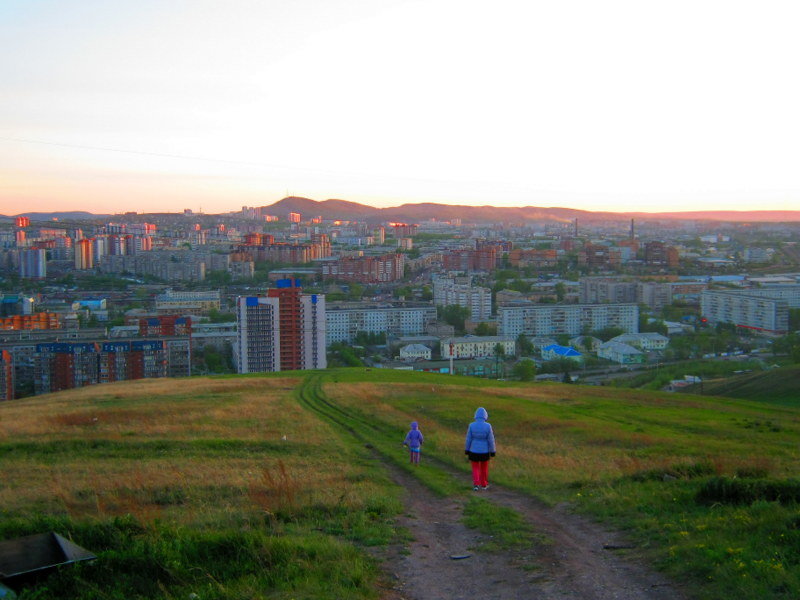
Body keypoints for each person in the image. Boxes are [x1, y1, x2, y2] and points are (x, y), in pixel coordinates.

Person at [465, 407, 495, 490]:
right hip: (484, 451)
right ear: (485, 416)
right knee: (484, 468)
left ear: (476, 416)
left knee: (475, 467)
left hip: (473, 450)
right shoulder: (488, 426)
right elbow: (491, 439)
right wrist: (492, 450)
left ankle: (476, 484)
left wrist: (467, 449)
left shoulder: (471, 425)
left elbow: (468, 439)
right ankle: (484, 484)